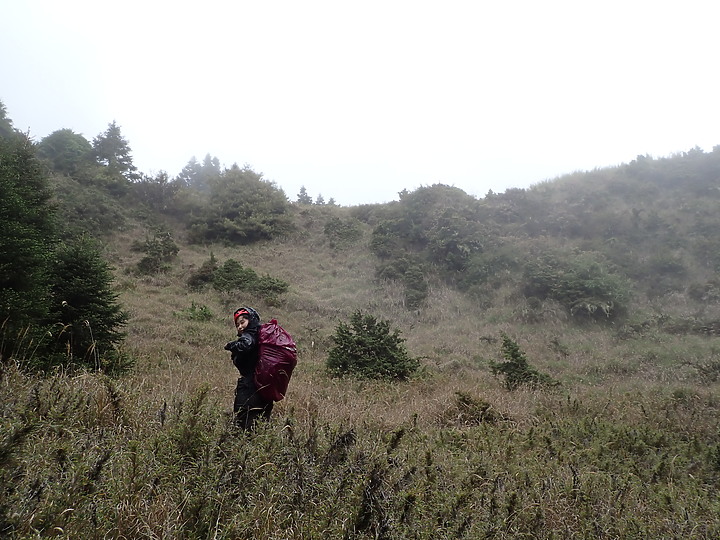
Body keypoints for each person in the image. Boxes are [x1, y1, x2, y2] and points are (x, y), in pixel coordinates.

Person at [224, 306, 273, 429]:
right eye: (237, 325)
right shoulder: (261, 337)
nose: (240, 327)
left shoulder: (249, 335)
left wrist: (232, 345)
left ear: (251, 320)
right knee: (261, 428)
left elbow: (245, 345)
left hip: (249, 388)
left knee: (242, 427)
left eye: (242, 322)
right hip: (265, 389)